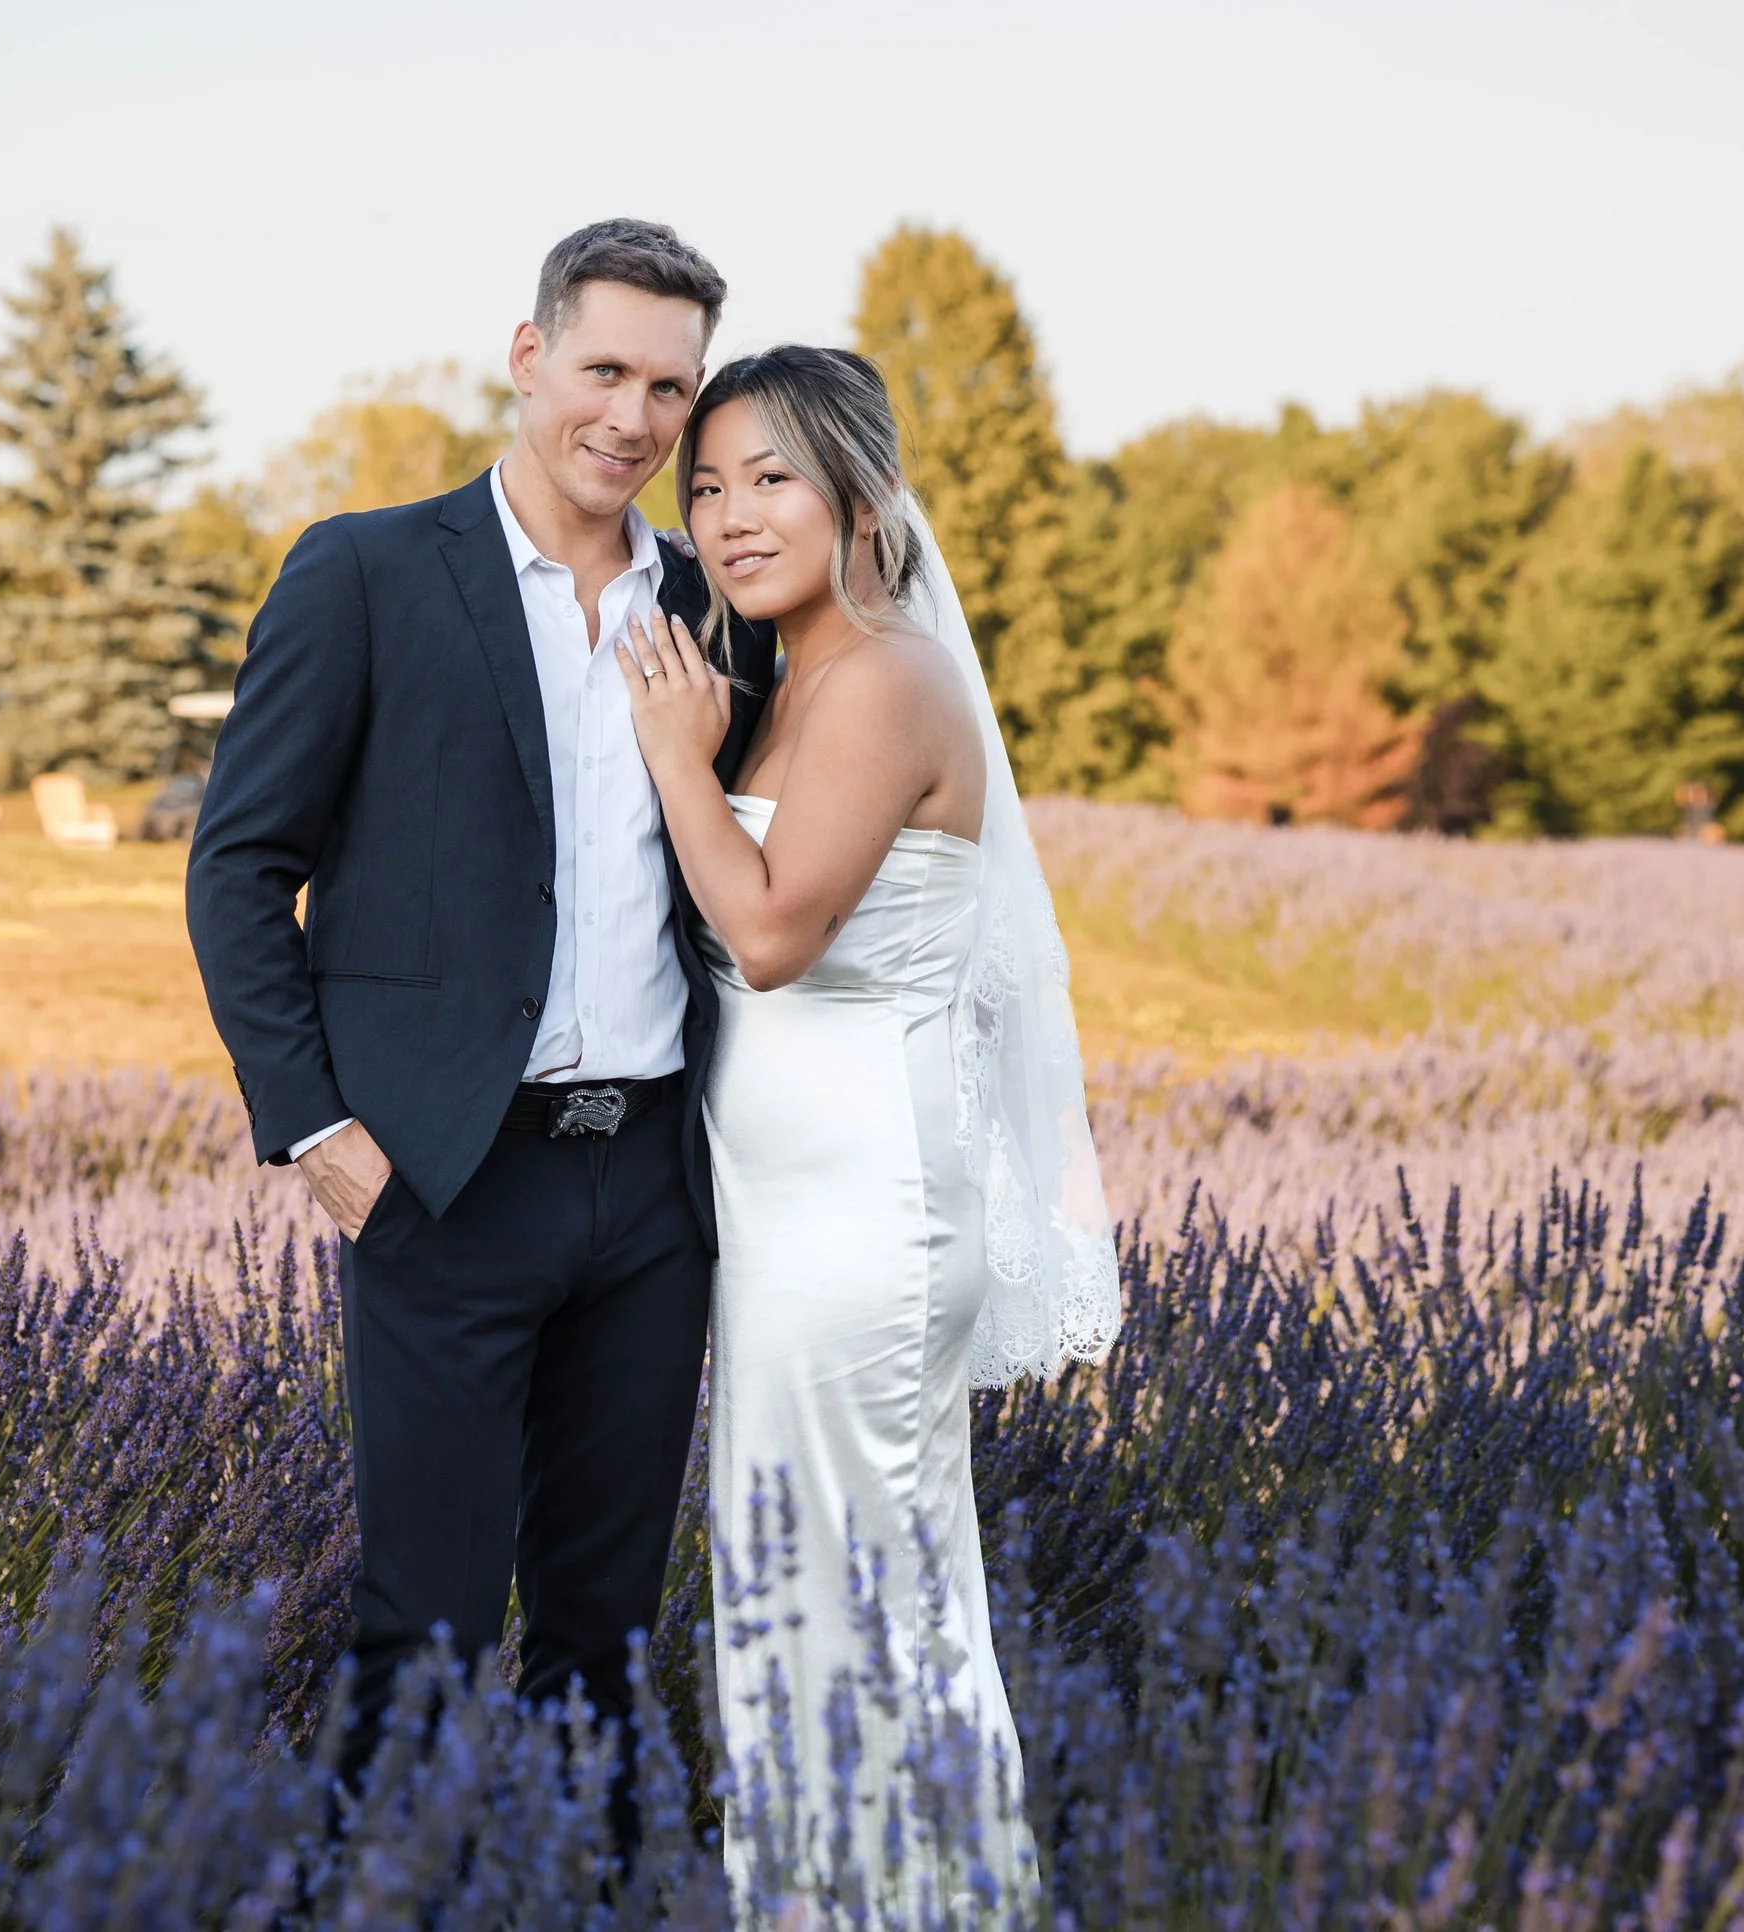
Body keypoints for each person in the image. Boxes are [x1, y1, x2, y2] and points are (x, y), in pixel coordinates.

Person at [183, 219, 774, 1835]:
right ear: (527, 359)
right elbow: (241, 869)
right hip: (444, 1183)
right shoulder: (366, 571)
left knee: (601, 1628)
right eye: (605, 371)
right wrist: (317, 1127)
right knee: (425, 1623)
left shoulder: (715, 604)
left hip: (652, 1191)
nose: (636, 419)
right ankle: (367, 1893)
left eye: (672, 385)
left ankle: (584, 1889)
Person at [617, 345, 1122, 1921]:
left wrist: (667, 759)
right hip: (796, 1233)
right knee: (811, 1602)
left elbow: (769, 937)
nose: (729, 515)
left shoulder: (890, 676)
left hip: (868, 1229)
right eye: (704, 485)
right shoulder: (793, 680)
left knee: (853, 1608)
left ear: (863, 495)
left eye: (771, 478)